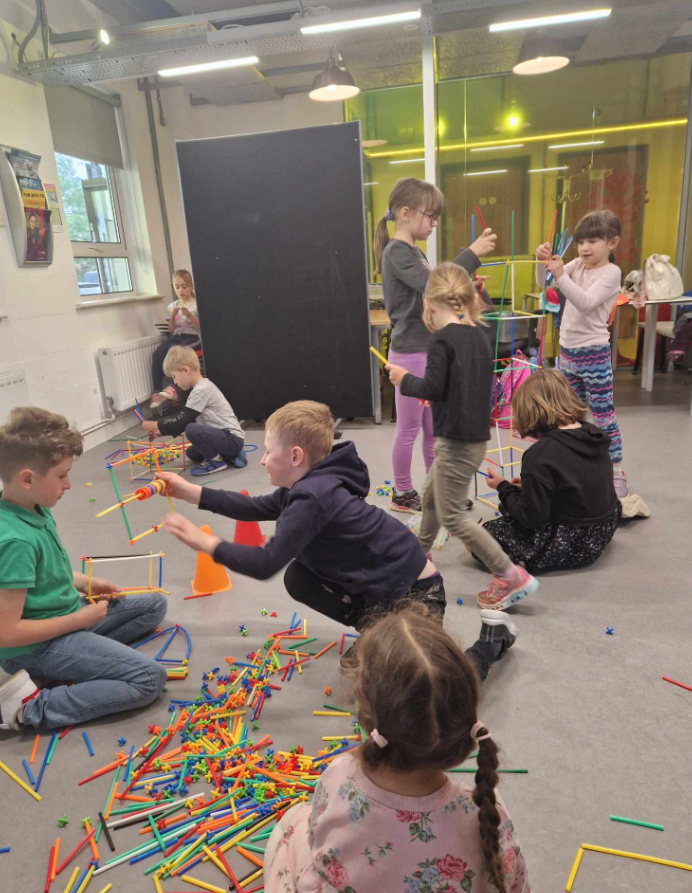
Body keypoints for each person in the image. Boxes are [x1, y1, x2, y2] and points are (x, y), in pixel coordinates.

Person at [158, 400, 517, 679]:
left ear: (295, 456)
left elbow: (264, 562)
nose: (262, 460)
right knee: (300, 579)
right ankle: (376, 630)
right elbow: (255, 507)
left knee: (433, 687)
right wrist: (192, 493)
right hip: (388, 591)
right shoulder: (306, 485)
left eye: (268, 451)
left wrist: (206, 543)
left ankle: (491, 640)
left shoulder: (313, 497)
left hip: (419, 596)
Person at [263, 604, 531, 893]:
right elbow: (516, 884)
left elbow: (317, 843)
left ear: (365, 712)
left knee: (293, 822)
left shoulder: (339, 777)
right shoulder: (486, 816)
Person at [0, 408, 167, 731]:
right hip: (35, 646)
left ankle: (61, 668)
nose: (69, 484)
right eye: (61, 475)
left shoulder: (32, 505)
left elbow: (45, 574)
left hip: (63, 620)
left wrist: (87, 582)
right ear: (27, 479)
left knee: (154, 604)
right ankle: (27, 708)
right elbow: (6, 633)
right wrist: (79, 620)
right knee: (149, 678)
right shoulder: (14, 541)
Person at [386, 263, 538, 612]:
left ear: (428, 304)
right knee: (430, 496)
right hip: (471, 439)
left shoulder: (441, 339)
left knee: (452, 516)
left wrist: (403, 379)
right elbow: (459, 386)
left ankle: (509, 574)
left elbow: (431, 387)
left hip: (455, 442)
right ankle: (419, 555)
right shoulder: (479, 336)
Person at [374, 176, 497, 513]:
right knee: (409, 428)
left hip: (427, 348)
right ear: (405, 213)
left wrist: (466, 287)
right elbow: (433, 283)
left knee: (433, 428)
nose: (433, 223)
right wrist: (471, 255)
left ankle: (437, 491)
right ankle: (402, 492)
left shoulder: (414, 252)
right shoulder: (396, 251)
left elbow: (437, 290)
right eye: (430, 215)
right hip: (410, 352)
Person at [481, 369, 621, 575]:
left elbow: (531, 518)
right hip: (603, 529)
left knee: (481, 537)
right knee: (512, 506)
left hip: (572, 543)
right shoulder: (591, 434)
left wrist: (503, 487)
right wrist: (531, 487)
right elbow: (578, 481)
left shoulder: (540, 454)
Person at [537, 210, 628, 497]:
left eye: (592, 241)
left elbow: (586, 302)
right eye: (580, 242)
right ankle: (577, 469)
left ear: (612, 243)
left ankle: (616, 472)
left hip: (594, 354)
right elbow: (544, 283)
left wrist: (561, 274)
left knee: (603, 415)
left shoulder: (611, 272)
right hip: (568, 352)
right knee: (569, 416)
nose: (584, 248)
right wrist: (542, 263)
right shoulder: (577, 265)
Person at [142, 346, 247, 476]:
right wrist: (161, 431)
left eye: (174, 377)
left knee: (191, 429)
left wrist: (156, 424)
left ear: (185, 370)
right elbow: (187, 419)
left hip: (231, 439)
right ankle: (230, 454)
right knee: (192, 453)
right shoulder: (200, 388)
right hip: (224, 437)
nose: (175, 382)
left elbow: (183, 419)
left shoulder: (201, 390)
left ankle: (217, 461)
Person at [151, 269, 201, 409]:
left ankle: (172, 388)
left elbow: (200, 328)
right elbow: (172, 331)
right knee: (157, 354)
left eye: (184, 286)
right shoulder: (172, 306)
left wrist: (190, 315)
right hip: (178, 336)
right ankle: (156, 392)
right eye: (177, 287)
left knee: (176, 352)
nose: (180, 290)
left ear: (191, 286)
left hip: (193, 337)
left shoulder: (196, 305)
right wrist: (172, 316)